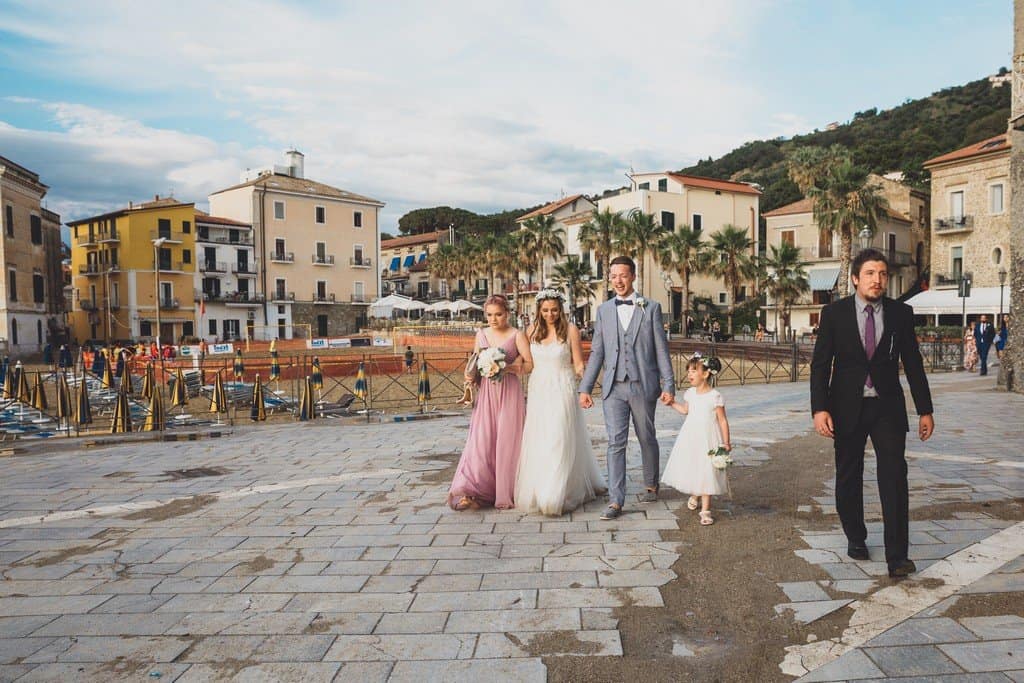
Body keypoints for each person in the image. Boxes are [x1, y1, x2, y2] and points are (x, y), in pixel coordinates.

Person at [811, 248, 934, 579]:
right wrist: (820, 408)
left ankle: (898, 557)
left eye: (882, 274)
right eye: (869, 273)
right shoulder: (833, 314)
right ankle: (856, 536)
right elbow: (821, 365)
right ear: (855, 278)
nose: (877, 279)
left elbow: (913, 363)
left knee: (894, 477)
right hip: (845, 407)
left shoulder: (900, 314)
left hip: (887, 407)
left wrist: (925, 409)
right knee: (848, 475)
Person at [579, 256, 675, 520]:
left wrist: (669, 385)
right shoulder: (604, 310)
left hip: (643, 385)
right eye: (613, 276)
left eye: (623, 275)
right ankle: (616, 500)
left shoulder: (651, 308)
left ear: (633, 276)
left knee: (646, 436)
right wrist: (585, 388)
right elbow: (597, 352)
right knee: (615, 443)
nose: (618, 281)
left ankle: (651, 483)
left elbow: (661, 350)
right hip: (613, 388)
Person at [516, 289, 605, 516]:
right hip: (538, 390)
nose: (550, 314)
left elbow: (577, 362)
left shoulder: (571, 330)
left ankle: (555, 493)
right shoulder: (531, 330)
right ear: (538, 310)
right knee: (542, 438)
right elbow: (527, 363)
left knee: (560, 437)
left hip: (562, 388)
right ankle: (541, 487)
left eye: (554, 309)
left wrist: (584, 381)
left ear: (561, 309)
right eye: (545, 310)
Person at [449, 294, 533, 511]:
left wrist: (507, 367)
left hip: (509, 393)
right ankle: (471, 490)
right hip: (486, 393)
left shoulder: (517, 335)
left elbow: (530, 364)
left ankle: (505, 491)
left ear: (507, 314)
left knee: (507, 441)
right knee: (481, 441)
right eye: (489, 315)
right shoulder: (481, 335)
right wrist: (470, 381)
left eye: (498, 315)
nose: (493, 319)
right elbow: (475, 361)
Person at [661, 354, 731, 526]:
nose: (689, 374)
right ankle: (695, 493)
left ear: (706, 374)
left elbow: (722, 420)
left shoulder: (715, 396)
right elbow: (685, 411)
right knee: (694, 466)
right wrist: (671, 403)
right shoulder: (690, 393)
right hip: (691, 437)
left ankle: (705, 510)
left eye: (694, 371)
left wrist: (726, 442)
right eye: (688, 371)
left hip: (709, 438)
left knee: (707, 470)